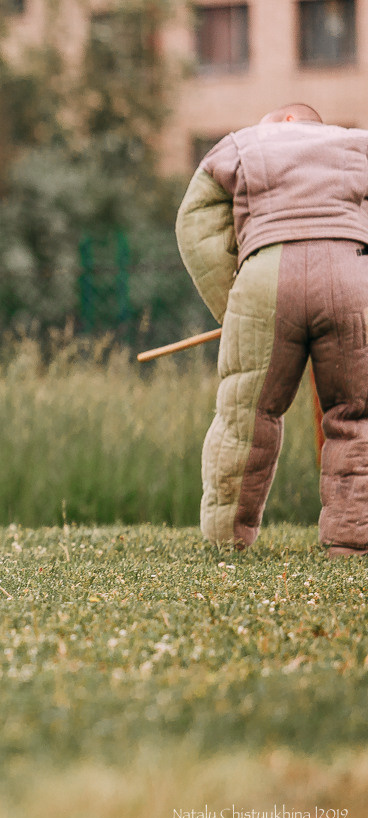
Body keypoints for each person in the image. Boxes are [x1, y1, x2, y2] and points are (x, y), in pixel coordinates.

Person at [175, 103, 368, 553]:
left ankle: (227, 539)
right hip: (351, 277)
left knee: (246, 416)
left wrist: (233, 304)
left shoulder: (243, 143)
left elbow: (196, 221)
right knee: (355, 416)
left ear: (286, 121)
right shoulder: (359, 145)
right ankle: (352, 540)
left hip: (267, 275)